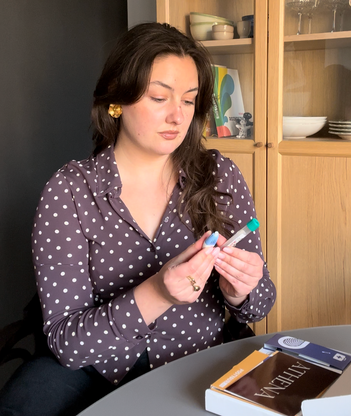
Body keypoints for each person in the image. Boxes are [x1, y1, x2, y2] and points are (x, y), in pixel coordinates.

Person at [0, 22, 275, 416]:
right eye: (160, 97)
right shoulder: (70, 191)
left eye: (188, 100)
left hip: (201, 356)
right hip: (99, 366)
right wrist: (158, 293)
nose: (177, 117)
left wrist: (240, 290)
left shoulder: (219, 174)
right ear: (117, 100)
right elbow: (67, 343)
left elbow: (262, 303)